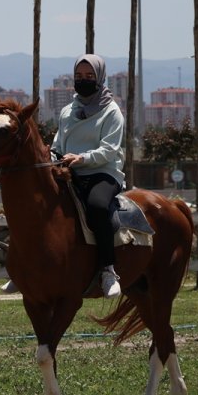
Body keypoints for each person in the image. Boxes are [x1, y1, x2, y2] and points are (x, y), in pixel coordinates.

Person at [52, 53, 126, 299]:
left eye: (89, 76)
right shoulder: (66, 111)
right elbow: (58, 144)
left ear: (100, 78)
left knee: (97, 206)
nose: (83, 80)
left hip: (102, 172)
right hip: (70, 173)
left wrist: (82, 159)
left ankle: (107, 270)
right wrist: (53, 158)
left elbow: (109, 150)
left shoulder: (112, 111)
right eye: (79, 76)